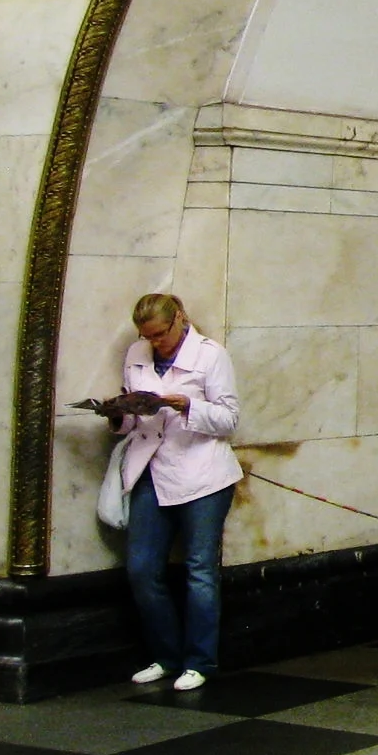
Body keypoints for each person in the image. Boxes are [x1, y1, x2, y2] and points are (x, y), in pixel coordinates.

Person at [113, 294, 241, 692]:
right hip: (152, 467)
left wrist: (187, 405)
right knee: (141, 568)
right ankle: (165, 655)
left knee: (200, 570)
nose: (154, 343)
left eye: (160, 334)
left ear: (180, 319)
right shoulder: (137, 353)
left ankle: (200, 660)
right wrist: (118, 414)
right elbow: (133, 421)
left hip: (202, 473)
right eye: (146, 337)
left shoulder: (211, 355)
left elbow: (229, 418)